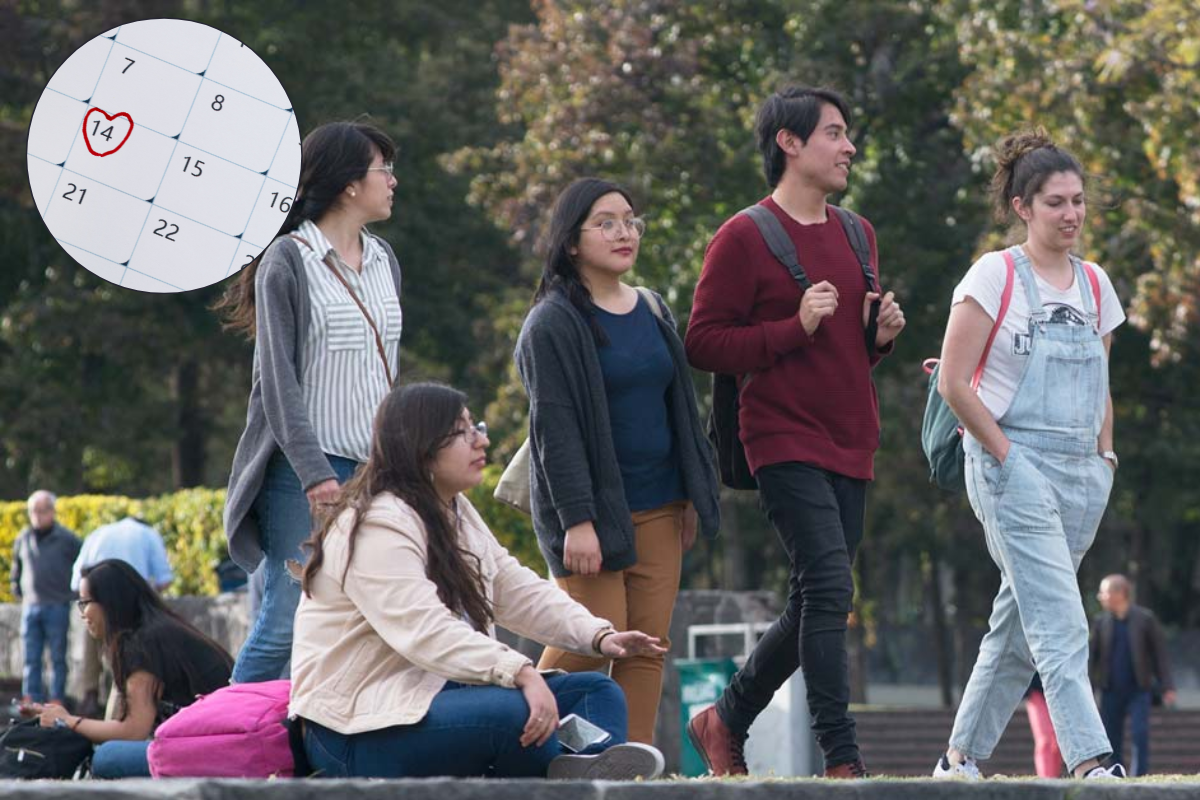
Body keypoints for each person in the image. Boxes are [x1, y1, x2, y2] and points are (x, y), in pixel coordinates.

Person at [684, 85, 905, 779]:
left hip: (851, 436)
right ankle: (842, 758)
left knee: (817, 594)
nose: (849, 147)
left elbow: (846, 353)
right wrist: (792, 327)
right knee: (831, 591)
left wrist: (879, 337)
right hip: (779, 437)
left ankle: (725, 718)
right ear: (789, 142)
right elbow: (704, 342)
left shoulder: (857, 231)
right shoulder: (744, 235)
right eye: (835, 134)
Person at [290, 382, 667, 779]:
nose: (481, 440)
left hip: (436, 699)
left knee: (596, 692)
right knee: (514, 713)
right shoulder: (375, 525)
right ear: (421, 445)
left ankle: (584, 771)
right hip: (357, 728)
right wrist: (520, 672)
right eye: (463, 432)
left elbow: (511, 586)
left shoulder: (451, 509)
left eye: (477, 427)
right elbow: (424, 629)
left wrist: (598, 635)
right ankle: (565, 773)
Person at [930, 129, 1126, 780]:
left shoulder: (1096, 285)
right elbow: (954, 383)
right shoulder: (994, 274)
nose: (1070, 214)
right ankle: (1092, 761)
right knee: (1062, 620)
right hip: (1008, 464)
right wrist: (1009, 460)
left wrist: (1106, 460)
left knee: (1019, 624)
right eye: (1054, 203)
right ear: (1022, 207)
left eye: (1077, 201)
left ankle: (957, 760)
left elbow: (1101, 385)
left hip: (1082, 474)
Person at [513, 177, 721, 744]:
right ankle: (511, 738)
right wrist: (577, 520)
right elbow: (554, 431)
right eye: (606, 222)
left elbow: (677, 405)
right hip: (591, 519)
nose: (624, 231)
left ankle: (633, 765)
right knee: (587, 642)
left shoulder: (652, 308)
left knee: (646, 650)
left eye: (630, 219)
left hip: (661, 505)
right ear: (572, 242)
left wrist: (691, 493)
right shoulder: (552, 323)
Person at [216, 120, 403, 683]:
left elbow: (387, 369)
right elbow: (277, 381)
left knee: (372, 618)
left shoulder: (385, 259)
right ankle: (216, 746)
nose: (394, 181)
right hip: (308, 473)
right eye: (383, 170)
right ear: (349, 184)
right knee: (285, 619)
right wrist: (314, 473)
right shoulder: (287, 261)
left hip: (378, 470)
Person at [32, 559, 233, 778]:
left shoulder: (142, 644)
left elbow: (133, 731)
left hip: (216, 750)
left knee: (107, 757)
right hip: (217, 743)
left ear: (110, 603)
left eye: (85, 602)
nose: (82, 613)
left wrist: (68, 721)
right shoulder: (154, 630)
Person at [71, 516, 174, 717]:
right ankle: (115, 712)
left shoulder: (98, 533)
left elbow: (76, 582)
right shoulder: (148, 534)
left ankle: (90, 694)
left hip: (93, 599)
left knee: (101, 651)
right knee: (125, 660)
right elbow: (164, 579)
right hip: (130, 607)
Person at [1091, 573, 1176, 776]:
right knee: (1111, 738)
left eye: (1104, 592)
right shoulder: (1100, 622)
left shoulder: (1145, 619)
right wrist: (1089, 690)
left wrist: (1167, 686)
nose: (1100, 597)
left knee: (1140, 733)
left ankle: (1140, 774)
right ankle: (1117, 773)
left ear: (1120, 593)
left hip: (1139, 689)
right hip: (1110, 690)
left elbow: (1159, 655)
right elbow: (1091, 660)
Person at [10, 490, 81, 706]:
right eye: (33, 511)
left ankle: (56, 699)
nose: (38, 516)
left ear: (52, 511)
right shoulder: (23, 538)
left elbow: (82, 566)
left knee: (58, 658)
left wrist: (73, 594)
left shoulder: (68, 539)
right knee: (31, 658)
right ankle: (31, 699)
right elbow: (17, 570)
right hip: (31, 605)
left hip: (57, 604)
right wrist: (18, 589)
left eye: (43, 511)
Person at [1024, 674, 1062, 778]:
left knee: (1058, 741)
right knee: (1045, 739)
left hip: (1059, 689)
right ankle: (1046, 779)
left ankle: (1053, 778)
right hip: (1036, 689)